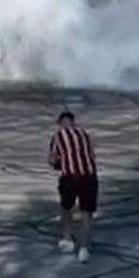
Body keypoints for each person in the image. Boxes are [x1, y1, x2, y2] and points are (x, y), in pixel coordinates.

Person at [49, 110, 98, 263]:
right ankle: (84, 247)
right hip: (89, 176)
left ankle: (67, 238)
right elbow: (91, 155)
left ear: (61, 123)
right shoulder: (85, 134)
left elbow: (53, 160)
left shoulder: (58, 136)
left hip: (70, 177)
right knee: (86, 212)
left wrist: (60, 163)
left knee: (66, 207)